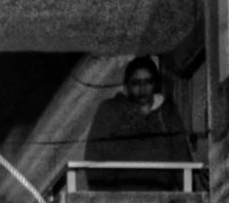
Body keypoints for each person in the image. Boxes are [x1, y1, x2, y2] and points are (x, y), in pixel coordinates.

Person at [81, 56, 192, 185]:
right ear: (127, 85)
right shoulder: (110, 111)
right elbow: (94, 159)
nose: (142, 89)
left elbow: (182, 158)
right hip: (120, 198)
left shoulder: (168, 114)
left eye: (148, 82)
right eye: (136, 83)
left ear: (155, 84)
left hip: (162, 198)